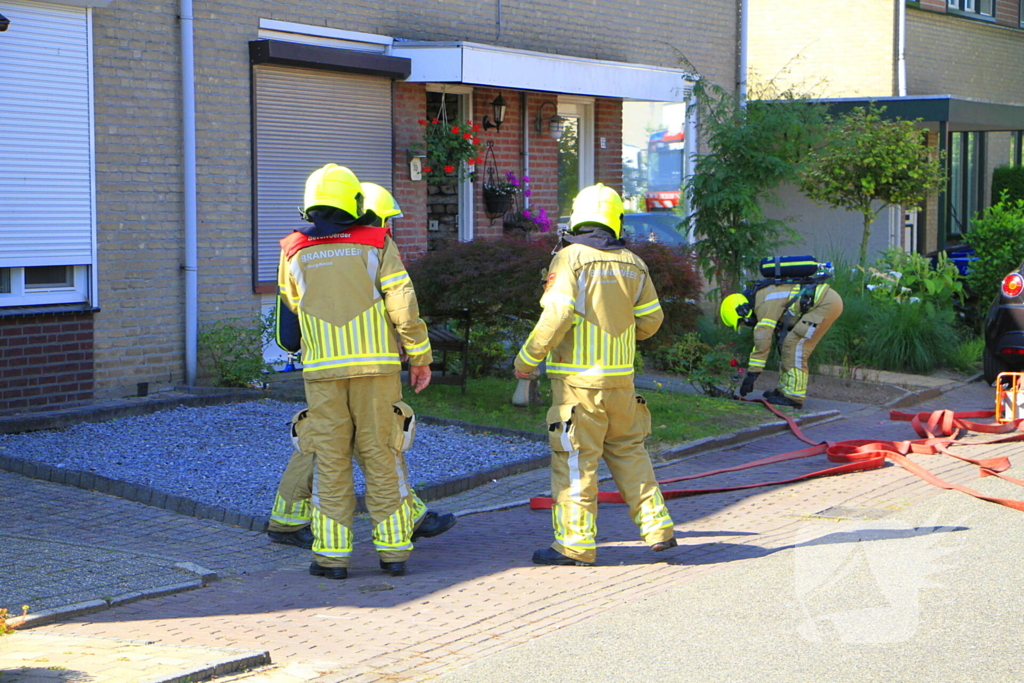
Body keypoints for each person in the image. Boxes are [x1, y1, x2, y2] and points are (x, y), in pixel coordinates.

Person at [276, 166, 450, 579]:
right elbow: (403, 305)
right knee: (381, 457)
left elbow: (288, 328)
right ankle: (393, 555)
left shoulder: (291, 250)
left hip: (321, 375)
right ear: (353, 203)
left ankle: (331, 559)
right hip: (376, 370)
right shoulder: (376, 242)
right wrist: (420, 357)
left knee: (331, 462)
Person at [513, 183, 677, 567]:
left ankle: (574, 545)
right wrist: (619, 334)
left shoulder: (570, 258)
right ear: (615, 219)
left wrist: (527, 358)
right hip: (622, 383)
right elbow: (652, 320)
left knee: (575, 462)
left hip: (577, 385)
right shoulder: (635, 264)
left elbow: (556, 316)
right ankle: (658, 529)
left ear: (578, 217)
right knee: (630, 454)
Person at [720, 271, 844, 408]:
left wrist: (752, 374)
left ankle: (794, 397)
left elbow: (763, 341)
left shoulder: (763, 303)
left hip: (825, 304)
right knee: (788, 344)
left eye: (744, 321)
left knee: (795, 346)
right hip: (824, 301)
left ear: (742, 310)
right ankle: (784, 390)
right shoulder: (762, 296)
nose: (748, 323)